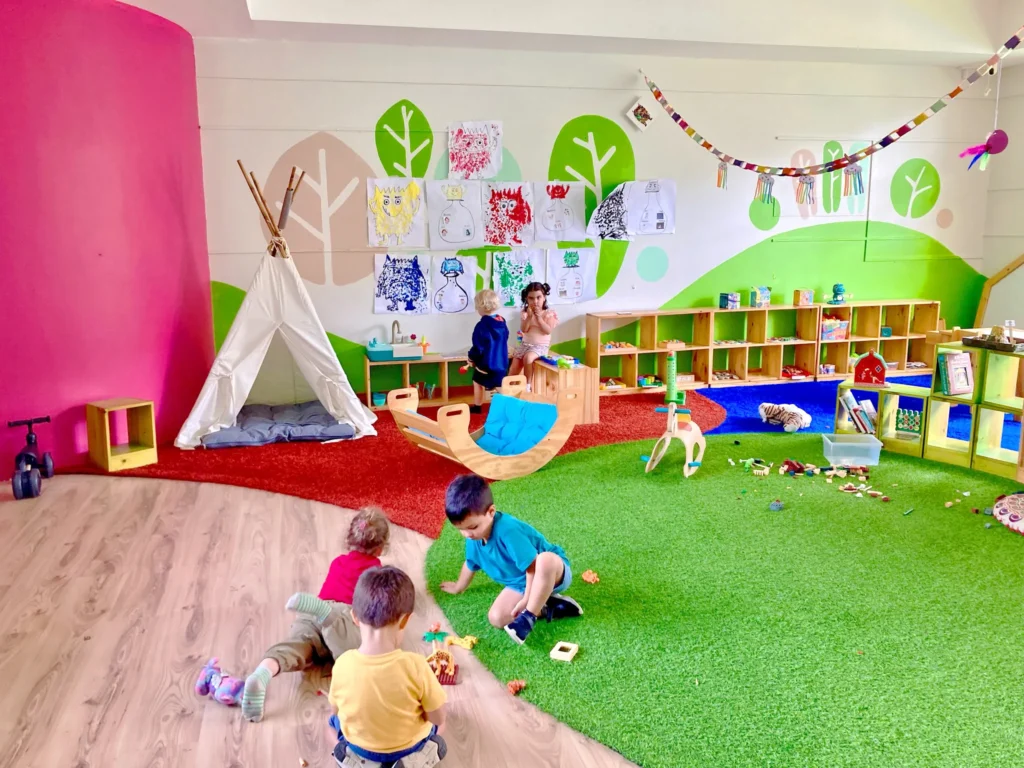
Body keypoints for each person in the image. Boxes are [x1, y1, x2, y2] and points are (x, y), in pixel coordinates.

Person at [241, 507, 390, 722]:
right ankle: (331, 625)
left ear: (349, 540)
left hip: (313, 614)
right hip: (343, 617)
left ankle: (262, 673)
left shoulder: (338, 562)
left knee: (297, 644)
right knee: (361, 648)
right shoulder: (376, 571)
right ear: (380, 548)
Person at [439, 474, 582, 645]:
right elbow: (470, 564)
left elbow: (532, 567)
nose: (467, 534)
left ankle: (529, 617)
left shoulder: (508, 530)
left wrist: (528, 598)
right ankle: (551, 606)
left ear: (491, 512)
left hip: (550, 573)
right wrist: (458, 586)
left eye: (472, 527)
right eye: (460, 529)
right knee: (497, 618)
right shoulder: (473, 538)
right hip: (520, 583)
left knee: (544, 560)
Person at [329, 566, 448, 767]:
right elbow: (437, 717)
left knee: (331, 725)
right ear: (405, 621)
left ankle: (354, 760)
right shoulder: (416, 665)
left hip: (362, 747)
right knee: (443, 726)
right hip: (409, 747)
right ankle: (414, 761)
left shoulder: (342, 664)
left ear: (355, 617)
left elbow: (335, 710)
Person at [466, 288, 509, 414]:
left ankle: (477, 406)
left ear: (481, 307)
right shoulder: (502, 322)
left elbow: (478, 348)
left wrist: (471, 358)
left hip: (486, 363)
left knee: (477, 381)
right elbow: (505, 337)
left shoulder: (481, 326)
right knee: (499, 385)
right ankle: (509, 406)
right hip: (501, 362)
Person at [509, 282, 558, 389]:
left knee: (528, 358)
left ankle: (528, 385)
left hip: (540, 347)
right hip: (525, 344)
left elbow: (547, 331)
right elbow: (524, 330)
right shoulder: (525, 312)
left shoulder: (548, 313)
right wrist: (529, 317)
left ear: (544, 297)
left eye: (538, 297)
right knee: (514, 366)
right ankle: (509, 389)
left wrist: (539, 318)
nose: (535, 302)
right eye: (531, 298)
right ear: (527, 299)